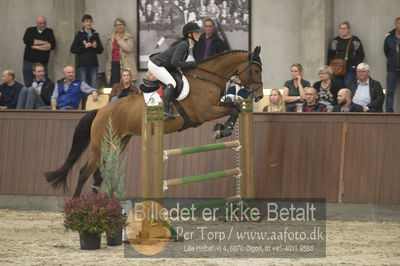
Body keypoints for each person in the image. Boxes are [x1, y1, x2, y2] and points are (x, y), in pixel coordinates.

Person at [148, 22, 201, 118]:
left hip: (164, 65)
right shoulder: (184, 45)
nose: (199, 34)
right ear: (190, 34)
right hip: (156, 64)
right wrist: (191, 64)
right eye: (196, 32)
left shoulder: (188, 45)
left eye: (199, 32)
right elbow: (175, 62)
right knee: (172, 82)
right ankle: (165, 111)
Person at [70, 14, 103, 89]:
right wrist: (84, 47)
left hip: (93, 65)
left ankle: (91, 101)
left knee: (93, 86)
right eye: (87, 21)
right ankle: (83, 101)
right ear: (83, 23)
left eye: (90, 21)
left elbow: (100, 50)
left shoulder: (95, 35)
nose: (89, 23)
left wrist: (95, 47)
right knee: (83, 86)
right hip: (82, 65)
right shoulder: (79, 34)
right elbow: (73, 49)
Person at [328, 21, 364, 88]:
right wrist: (330, 67)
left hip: (350, 68)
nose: (342, 30)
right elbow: (330, 54)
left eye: (344, 28)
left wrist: (355, 65)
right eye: (341, 28)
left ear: (348, 29)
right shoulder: (335, 40)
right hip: (337, 68)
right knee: (337, 86)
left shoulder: (354, 40)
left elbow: (361, 54)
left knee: (348, 86)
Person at [22, 16, 56, 87]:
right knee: (28, 84)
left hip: (43, 62)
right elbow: (27, 40)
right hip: (29, 62)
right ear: (36, 23)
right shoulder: (30, 30)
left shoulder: (49, 31)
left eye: (44, 23)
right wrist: (44, 43)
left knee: (43, 85)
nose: (43, 25)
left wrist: (35, 46)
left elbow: (51, 46)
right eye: (40, 23)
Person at [105, 18, 138, 87]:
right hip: (114, 64)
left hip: (125, 64)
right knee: (115, 85)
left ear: (124, 26)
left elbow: (129, 48)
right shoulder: (110, 38)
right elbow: (108, 53)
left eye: (121, 25)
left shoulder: (128, 37)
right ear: (115, 27)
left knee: (125, 85)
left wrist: (119, 40)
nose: (119, 27)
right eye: (117, 25)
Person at [384, 17, 400, 113]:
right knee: (389, 91)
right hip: (392, 69)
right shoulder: (389, 37)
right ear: (396, 25)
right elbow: (386, 51)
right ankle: (389, 111)